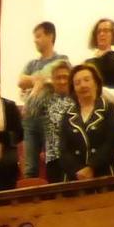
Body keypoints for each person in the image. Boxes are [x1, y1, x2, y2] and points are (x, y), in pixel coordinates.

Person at [54, 62, 114, 183]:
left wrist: (91, 167)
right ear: (73, 88)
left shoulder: (108, 109)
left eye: (86, 80)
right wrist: (77, 170)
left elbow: (113, 143)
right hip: (74, 178)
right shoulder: (67, 115)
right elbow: (63, 149)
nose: (82, 85)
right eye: (77, 83)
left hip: (104, 175)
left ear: (96, 83)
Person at [16, 20, 67, 176]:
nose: (35, 40)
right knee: (29, 166)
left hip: (51, 118)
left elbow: (54, 79)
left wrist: (38, 81)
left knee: (53, 162)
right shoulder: (32, 64)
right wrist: (38, 81)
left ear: (50, 36)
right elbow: (20, 81)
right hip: (30, 118)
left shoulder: (61, 60)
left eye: (38, 36)